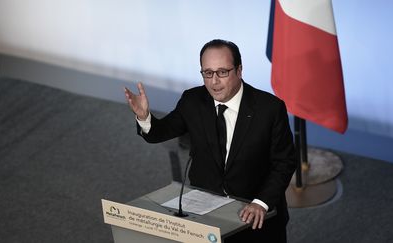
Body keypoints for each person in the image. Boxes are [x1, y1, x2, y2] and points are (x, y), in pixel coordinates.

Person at [124, 39, 297, 242]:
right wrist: (144, 116)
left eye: (222, 72)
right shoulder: (193, 100)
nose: (214, 81)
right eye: (208, 73)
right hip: (206, 210)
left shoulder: (269, 109)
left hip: (254, 211)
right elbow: (159, 132)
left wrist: (261, 202)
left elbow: (284, 162)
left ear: (239, 70)